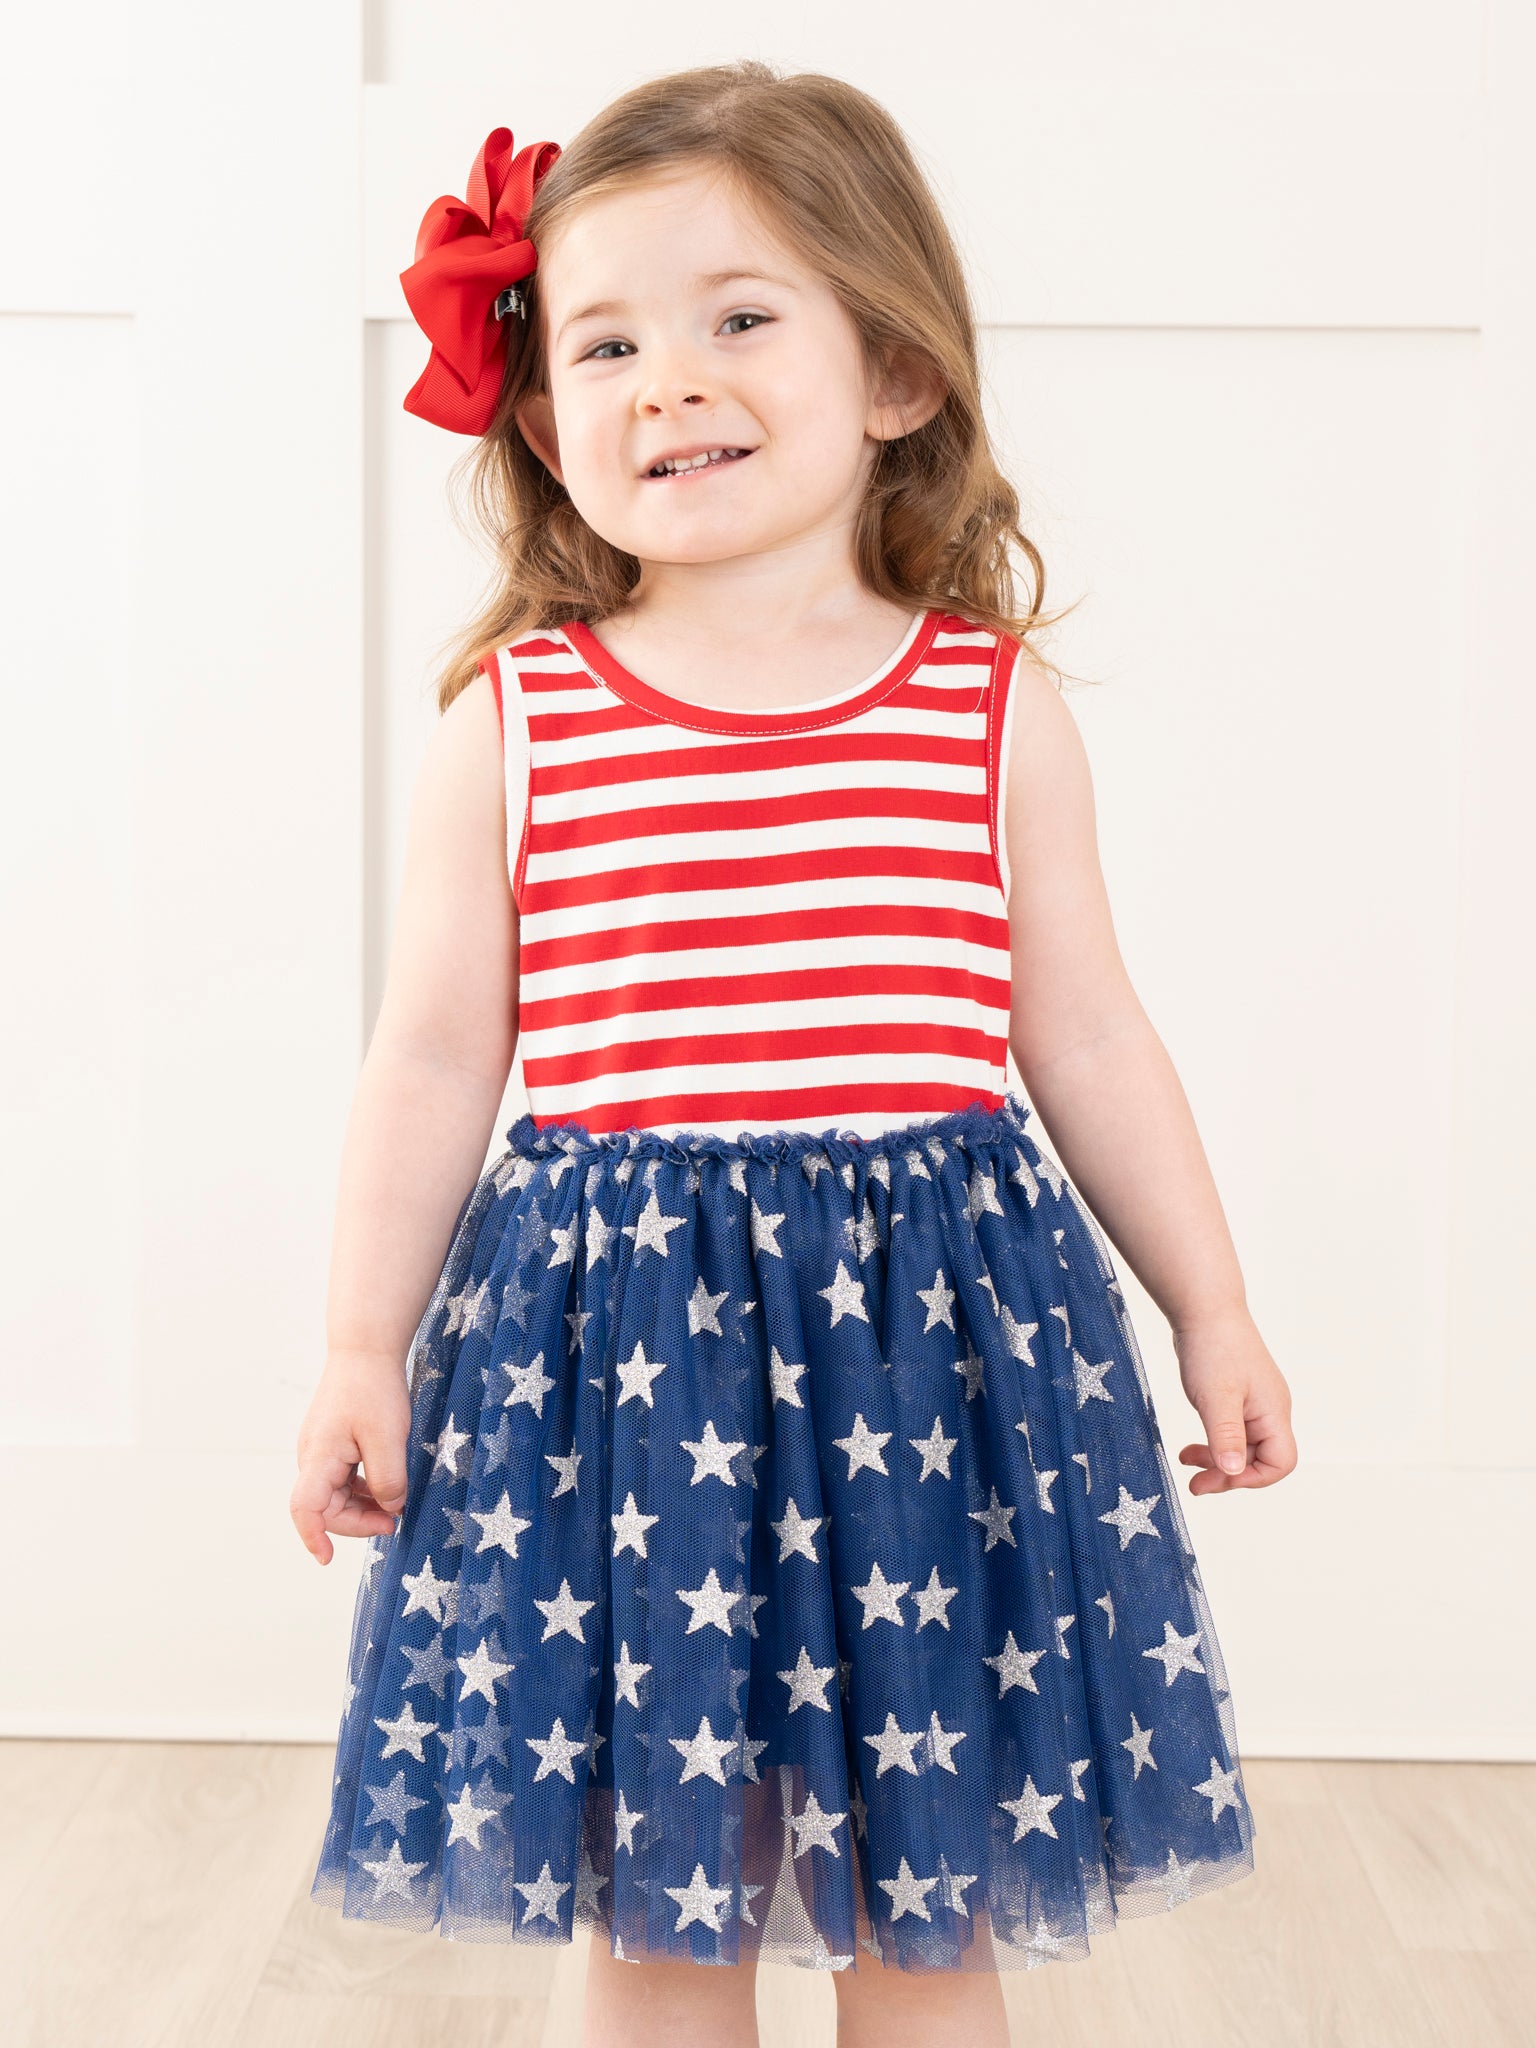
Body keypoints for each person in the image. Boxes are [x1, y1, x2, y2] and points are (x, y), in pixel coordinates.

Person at [292, 58, 1295, 2048]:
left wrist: (1214, 1305)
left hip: (934, 1376)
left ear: (897, 371)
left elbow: (1090, 1030)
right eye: (605, 344)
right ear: (543, 416)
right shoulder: (520, 723)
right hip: (618, 1385)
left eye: (740, 318)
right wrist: (356, 1345)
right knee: (659, 1916)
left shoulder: (985, 709)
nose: (669, 382)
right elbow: (430, 1062)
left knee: (930, 1914)